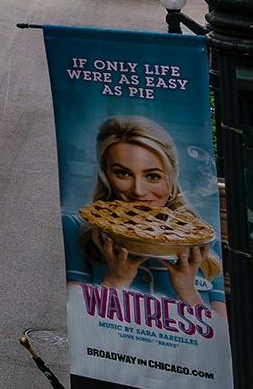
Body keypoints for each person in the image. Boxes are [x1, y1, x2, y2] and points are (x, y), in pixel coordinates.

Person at [65, 115, 223, 303]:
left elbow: (216, 328)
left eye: (153, 176)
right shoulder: (77, 230)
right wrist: (116, 280)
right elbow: (73, 318)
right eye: (123, 173)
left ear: (171, 177)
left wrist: (188, 291)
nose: (138, 191)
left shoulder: (205, 244)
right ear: (106, 175)